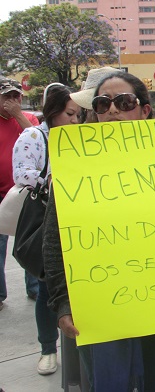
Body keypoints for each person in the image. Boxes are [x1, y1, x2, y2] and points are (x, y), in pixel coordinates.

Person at [43, 71, 155, 391]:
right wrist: (62, 302)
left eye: (123, 102)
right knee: (108, 382)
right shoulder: (74, 164)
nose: (112, 110)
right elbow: (54, 241)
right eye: (102, 103)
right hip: (101, 303)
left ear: (144, 109)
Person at [12, 83, 80, 375]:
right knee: (45, 286)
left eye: (79, 115)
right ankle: (47, 349)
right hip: (45, 219)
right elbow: (21, 173)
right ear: (53, 112)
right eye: (69, 114)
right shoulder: (34, 136)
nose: (75, 121)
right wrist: (52, 181)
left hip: (77, 221)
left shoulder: (82, 137)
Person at [0, 77, 40, 312]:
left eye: (16, 97)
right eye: (7, 97)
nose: (12, 101)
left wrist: (18, 115)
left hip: (25, 193)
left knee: (30, 242)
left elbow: (38, 139)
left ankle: (34, 288)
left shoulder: (29, 120)